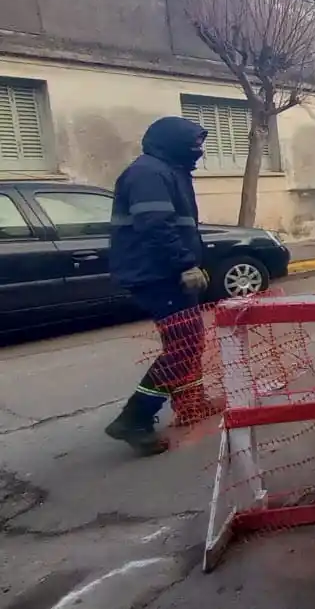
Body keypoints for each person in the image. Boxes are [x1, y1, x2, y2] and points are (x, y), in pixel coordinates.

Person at [105, 116, 215, 456]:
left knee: (188, 342)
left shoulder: (169, 171)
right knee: (183, 345)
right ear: (171, 142)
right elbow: (156, 226)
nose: (198, 150)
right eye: (193, 144)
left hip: (165, 272)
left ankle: (190, 403)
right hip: (157, 274)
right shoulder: (149, 173)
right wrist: (184, 264)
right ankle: (134, 418)